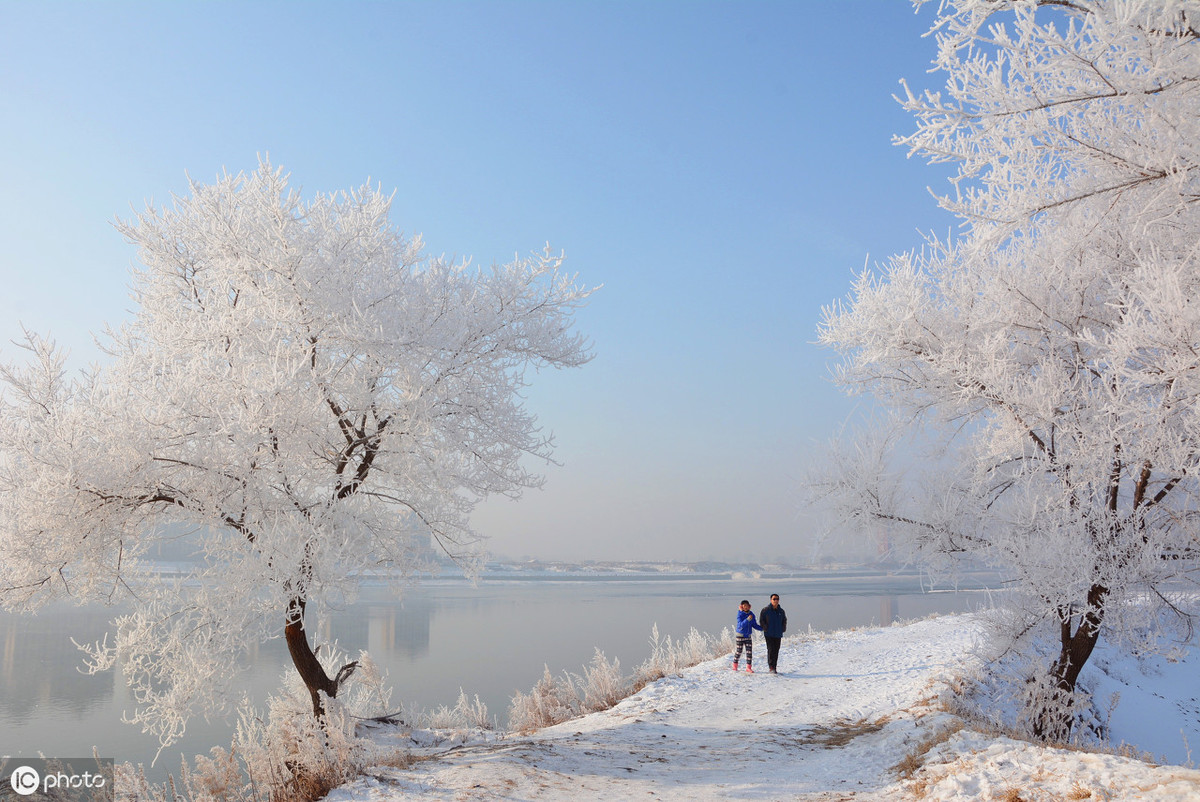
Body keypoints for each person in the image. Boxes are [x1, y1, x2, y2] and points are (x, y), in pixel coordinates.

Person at [759, 593, 788, 674]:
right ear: (771, 600)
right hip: (769, 634)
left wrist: (783, 628)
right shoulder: (765, 610)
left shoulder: (781, 611)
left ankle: (774, 667)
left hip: (778, 633)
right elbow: (761, 620)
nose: (776, 600)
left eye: (777, 599)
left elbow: (784, 620)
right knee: (771, 650)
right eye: (774, 599)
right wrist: (765, 628)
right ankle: (771, 667)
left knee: (776, 650)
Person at [731, 599, 762, 673]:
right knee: (739, 651)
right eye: (744, 606)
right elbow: (740, 625)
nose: (745, 607)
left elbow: (754, 625)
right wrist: (747, 619)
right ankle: (735, 665)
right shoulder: (740, 614)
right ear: (741, 607)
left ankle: (748, 668)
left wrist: (763, 628)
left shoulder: (751, 614)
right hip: (740, 636)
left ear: (749, 606)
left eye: (747, 606)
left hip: (748, 636)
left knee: (749, 652)